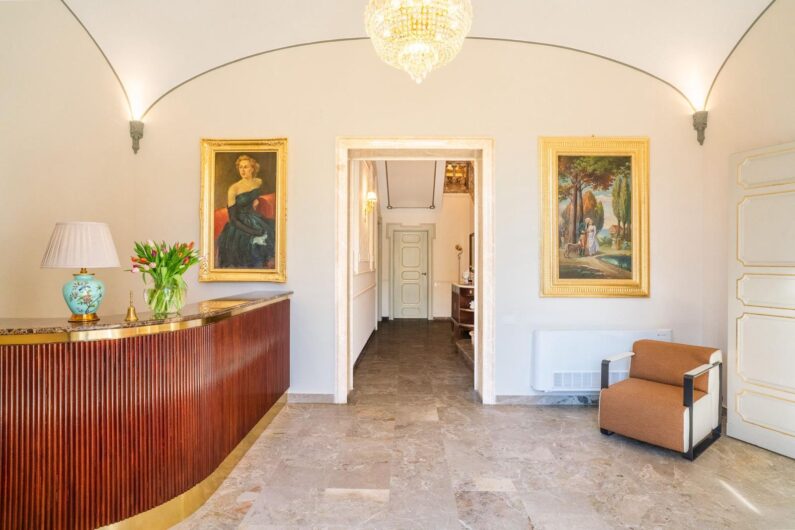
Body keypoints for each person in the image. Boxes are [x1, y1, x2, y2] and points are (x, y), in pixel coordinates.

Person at [216, 155, 275, 268]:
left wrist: (255, 201)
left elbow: (256, 196)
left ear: (252, 168)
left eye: (246, 167)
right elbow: (233, 219)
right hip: (239, 224)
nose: (242, 170)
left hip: (255, 218)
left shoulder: (258, 182)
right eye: (240, 167)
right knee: (250, 248)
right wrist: (254, 232)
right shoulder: (234, 189)